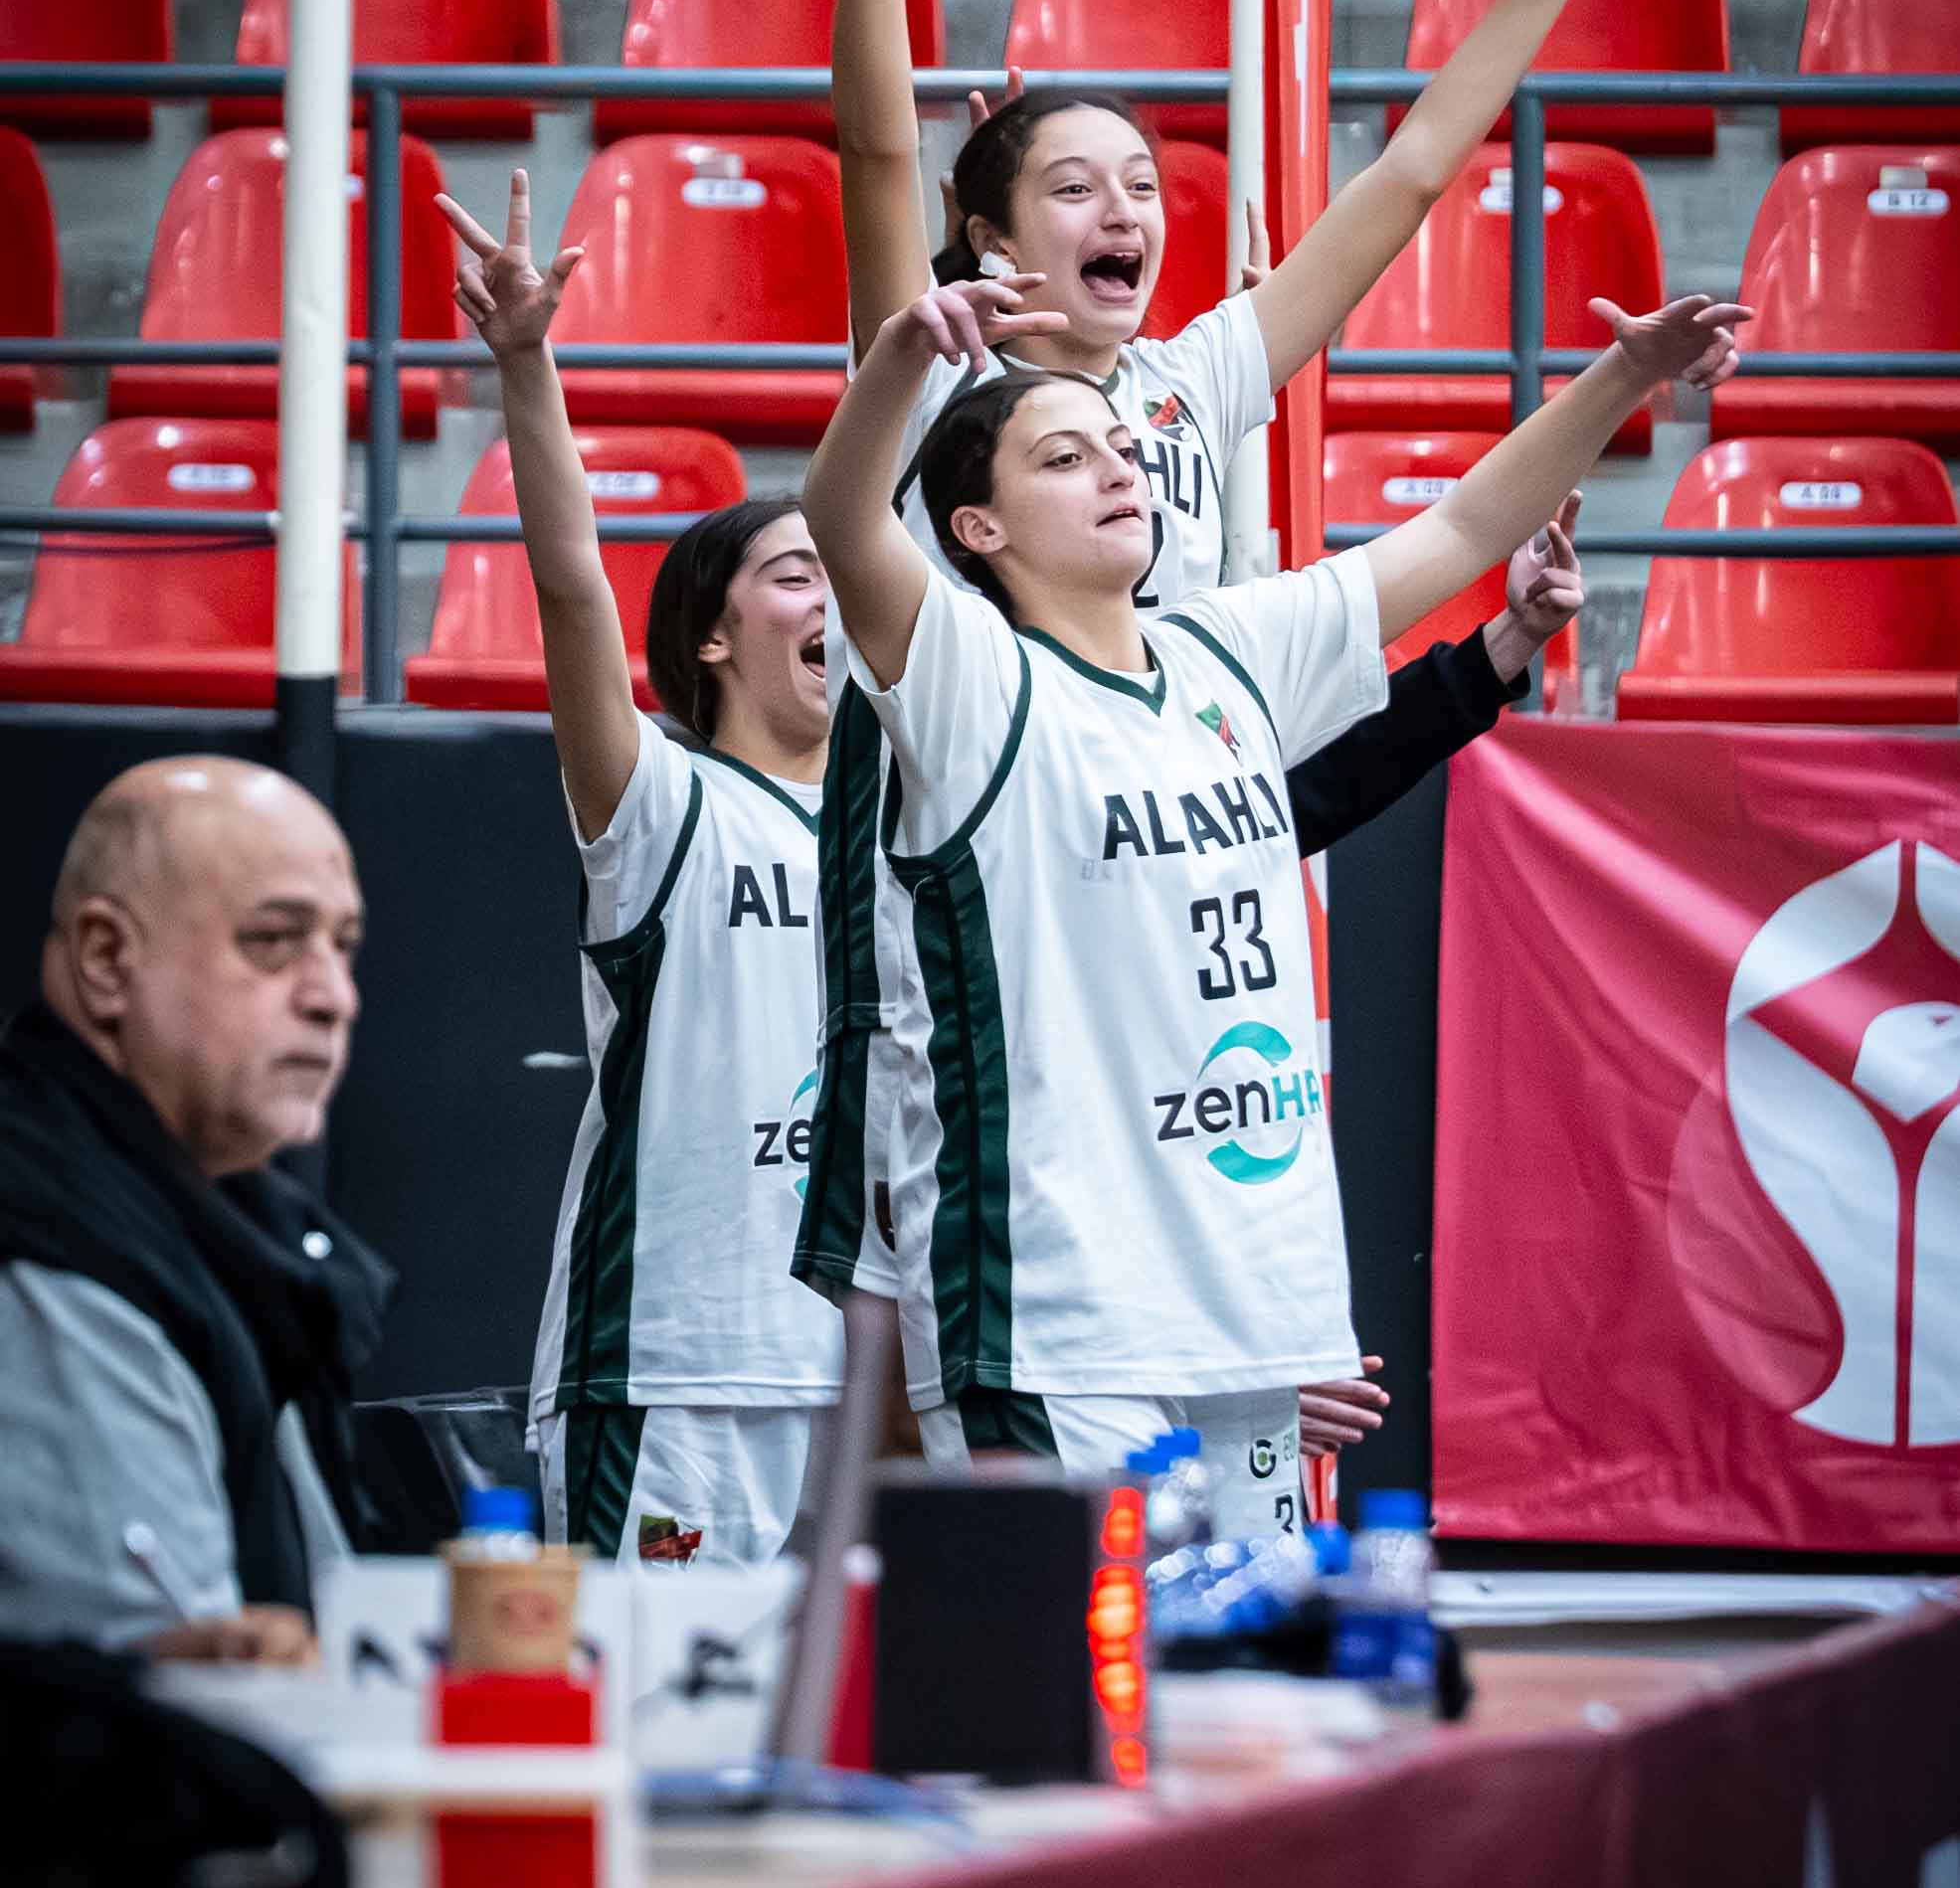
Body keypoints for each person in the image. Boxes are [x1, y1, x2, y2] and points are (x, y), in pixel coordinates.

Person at [796, 0, 1636, 1464]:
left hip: (1156, 818)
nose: (1126, 209)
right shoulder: (947, 375)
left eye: (1142, 184)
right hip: (975, 871)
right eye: (1074, 184)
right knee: (953, 1372)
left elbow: (1408, 176)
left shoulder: (1184, 385)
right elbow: (869, 146)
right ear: (986, 237)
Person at [801, 242, 1744, 1514]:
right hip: (1052, 1315)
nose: (1117, 468)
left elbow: (1465, 526)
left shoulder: (1228, 648)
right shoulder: (972, 679)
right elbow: (843, 522)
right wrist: (904, 352)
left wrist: (1622, 376)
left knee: (1255, 1644)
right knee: (1075, 1646)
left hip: (1252, 1303)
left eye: (1120, 445)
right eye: (1062, 458)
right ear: (979, 528)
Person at [437, 174, 843, 1571]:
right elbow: (568, 584)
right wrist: (525, 362)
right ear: (711, 637)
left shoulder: (907, 830)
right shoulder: (663, 802)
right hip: (670, 1370)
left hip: (860, 1377)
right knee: (661, 1697)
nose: (834, 599)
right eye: (794, 576)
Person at [0, 758, 388, 1658]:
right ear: (107, 960)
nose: (334, 996)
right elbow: (152, 1704)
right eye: (274, 940)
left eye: (342, 945)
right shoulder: (55, 1246)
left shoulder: (234, 1226)